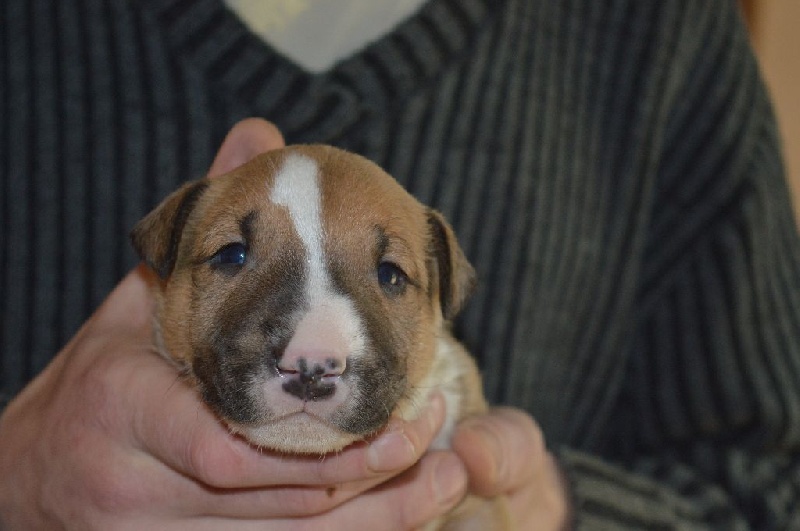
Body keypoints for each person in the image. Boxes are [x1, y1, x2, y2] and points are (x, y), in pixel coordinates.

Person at [1, 0, 798, 528]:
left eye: (389, 276)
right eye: (235, 254)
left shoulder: (664, 32)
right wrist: (16, 477)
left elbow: (767, 489)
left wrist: (545, 505)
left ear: (446, 300)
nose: (312, 355)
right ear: (161, 274)